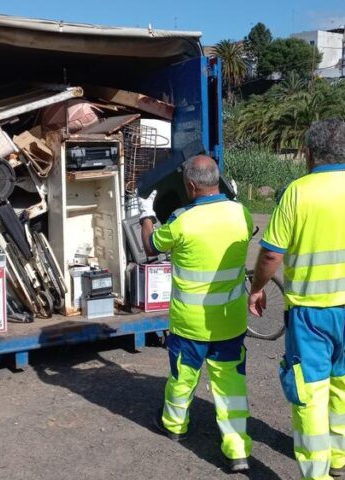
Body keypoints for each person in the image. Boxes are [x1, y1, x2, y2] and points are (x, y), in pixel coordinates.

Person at [248, 119, 345, 480]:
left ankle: (316, 472)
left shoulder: (298, 192)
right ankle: (338, 457)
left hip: (311, 313)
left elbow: (271, 255)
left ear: (307, 153)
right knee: (344, 382)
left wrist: (257, 288)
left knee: (309, 392)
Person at [140, 154, 255, 474]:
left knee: (183, 377)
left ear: (190, 185)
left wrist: (146, 214)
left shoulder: (181, 221)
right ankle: (237, 450)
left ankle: (174, 425)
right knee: (231, 384)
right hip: (230, 322)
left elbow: (151, 246)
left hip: (190, 324)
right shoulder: (241, 214)